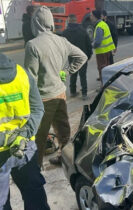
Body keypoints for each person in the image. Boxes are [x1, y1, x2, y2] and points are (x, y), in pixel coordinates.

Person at [25, 6, 87, 166]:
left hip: (43, 98)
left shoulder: (33, 45)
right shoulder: (61, 40)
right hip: (60, 93)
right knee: (63, 130)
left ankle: (36, 170)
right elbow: (82, 56)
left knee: (39, 137)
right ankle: (66, 160)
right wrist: (66, 71)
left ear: (36, 23)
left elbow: (31, 78)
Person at [0, 53, 50, 210]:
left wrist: (7, 139)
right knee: (34, 194)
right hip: (25, 147)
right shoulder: (22, 73)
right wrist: (23, 134)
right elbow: (37, 109)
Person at [62, 14, 93, 100]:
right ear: (76, 20)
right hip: (82, 57)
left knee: (73, 74)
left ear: (69, 21)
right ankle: (84, 94)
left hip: (72, 57)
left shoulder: (65, 33)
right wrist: (89, 55)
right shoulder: (83, 31)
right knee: (83, 76)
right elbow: (88, 45)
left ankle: (72, 92)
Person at [90, 10, 116, 85]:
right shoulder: (103, 24)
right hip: (107, 50)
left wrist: (91, 46)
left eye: (91, 15)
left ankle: (104, 86)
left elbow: (97, 42)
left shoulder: (99, 27)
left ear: (95, 17)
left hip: (102, 52)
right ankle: (108, 84)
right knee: (106, 68)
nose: (90, 17)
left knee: (102, 69)